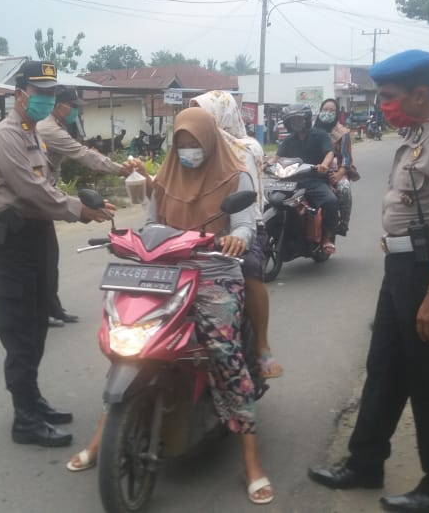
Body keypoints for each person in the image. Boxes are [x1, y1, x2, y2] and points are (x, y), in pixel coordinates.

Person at [70, 108, 274, 505]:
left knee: (224, 354)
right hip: (164, 271)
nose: (187, 150)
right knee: (126, 340)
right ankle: (103, 435)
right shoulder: (164, 178)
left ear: (210, 141)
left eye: (194, 143)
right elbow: (151, 225)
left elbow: (246, 225)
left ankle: (251, 460)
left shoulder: (237, 176)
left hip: (215, 270)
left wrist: (236, 239)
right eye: (181, 143)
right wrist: (126, 240)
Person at [308, 50, 429, 513]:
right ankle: (365, 462)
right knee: (384, 368)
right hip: (403, 268)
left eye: (388, 97)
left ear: (420, 94)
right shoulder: (417, 136)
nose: (382, 104)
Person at [0, 61, 113, 447]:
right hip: (11, 245)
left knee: (38, 324)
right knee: (20, 331)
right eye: (39, 92)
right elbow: (32, 191)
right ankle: (24, 419)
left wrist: (76, 207)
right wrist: (79, 210)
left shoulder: (33, 134)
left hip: (37, 236)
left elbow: (45, 185)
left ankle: (33, 401)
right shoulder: (5, 136)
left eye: (51, 93)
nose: (45, 99)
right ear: (19, 93)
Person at [189, 90, 282, 379]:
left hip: (242, 223)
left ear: (222, 115)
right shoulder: (191, 145)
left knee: (251, 273)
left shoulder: (246, 147)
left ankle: (263, 347)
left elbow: (247, 196)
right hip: (196, 226)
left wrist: (238, 235)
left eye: (205, 114)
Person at [37, 86, 129, 328]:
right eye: (73, 107)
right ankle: (40, 311)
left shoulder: (57, 126)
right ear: (59, 107)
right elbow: (83, 154)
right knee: (39, 260)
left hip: (45, 197)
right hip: (35, 200)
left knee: (48, 258)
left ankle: (52, 308)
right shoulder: (49, 129)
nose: (76, 111)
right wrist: (119, 169)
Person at [275, 104, 340, 253]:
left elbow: (329, 153)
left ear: (307, 120)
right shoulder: (289, 140)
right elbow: (276, 157)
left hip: (314, 181)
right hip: (291, 181)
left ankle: (327, 239)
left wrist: (323, 165)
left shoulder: (320, 135)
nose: (296, 123)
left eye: (299, 120)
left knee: (331, 201)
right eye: (292, 121)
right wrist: (265, 164)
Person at [314, 98, 357, 236]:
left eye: (332, 111)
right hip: (314, 170)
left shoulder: (343, 133)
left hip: (335, 171)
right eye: (325, 110)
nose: (328, 113)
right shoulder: (312, 131)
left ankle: (343, 223)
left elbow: (346, 157)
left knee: (344, 188)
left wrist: (339, 174)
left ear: (337, 113)